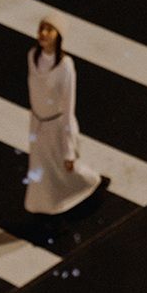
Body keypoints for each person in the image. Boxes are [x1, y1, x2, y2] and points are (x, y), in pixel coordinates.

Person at [24, 17, 102, 218]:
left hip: (57, 126)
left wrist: (69, 150)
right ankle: (45, 208)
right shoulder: (32, 56)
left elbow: (68, 108)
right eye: (41, 28)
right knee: (42, 168)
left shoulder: (65, 66)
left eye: (49, 30)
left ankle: (91, 182)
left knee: (64, 167)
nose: (43, 33)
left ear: (58, 35)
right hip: (38, 124)